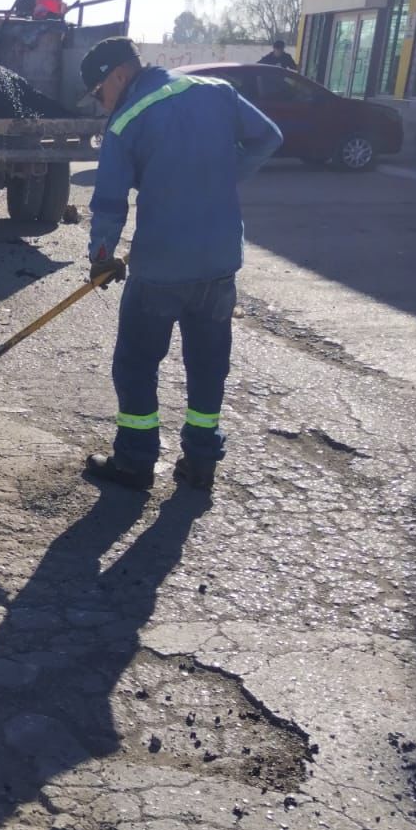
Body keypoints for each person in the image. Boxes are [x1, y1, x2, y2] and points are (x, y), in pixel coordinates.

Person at [78, 36, 283, 493]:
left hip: (161, 267)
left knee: (136, 363)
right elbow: (270, 136)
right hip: (219, 261)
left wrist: (102, 260)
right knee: (209, 364)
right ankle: (201, 463)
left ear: (118, 75)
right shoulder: (216, 92)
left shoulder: (126, 121)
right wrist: (224, 176)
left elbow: (110, 204)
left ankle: (134, 462)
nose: (100, 103)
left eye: (98, 92)